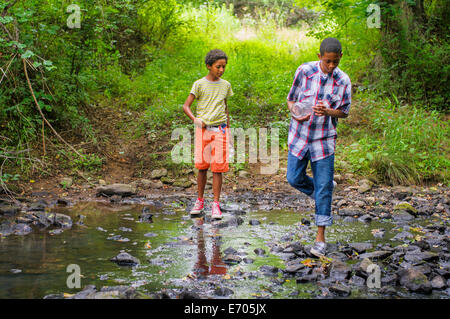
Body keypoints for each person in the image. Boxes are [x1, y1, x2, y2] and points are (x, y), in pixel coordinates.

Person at [286, 38, 352, 257]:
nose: (331, 66)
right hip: (300, 136)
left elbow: (344, 111)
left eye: (335, 61)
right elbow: (291, 100)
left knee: (323, 188)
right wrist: (297, 113)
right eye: (327, 61)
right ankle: (324, 191)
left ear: (341, 56)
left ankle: (320, 239)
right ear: (319, 57)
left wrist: (329, 112)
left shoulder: (343, 81)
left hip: (324, 140)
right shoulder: (304, 71)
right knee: (294, 178)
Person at [183, 49, 233, 220]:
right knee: (202, 167)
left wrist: (230, 131)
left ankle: (216, 204)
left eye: (224, 67)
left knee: (218, 168)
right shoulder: (199, 84)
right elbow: (186, 106)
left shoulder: (225, 85)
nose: (221, 70)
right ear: (208, 66)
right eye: (218, 67)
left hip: (220, 130)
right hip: (203, 130)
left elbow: (225, 108)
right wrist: (196, 120)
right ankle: (200, 200)